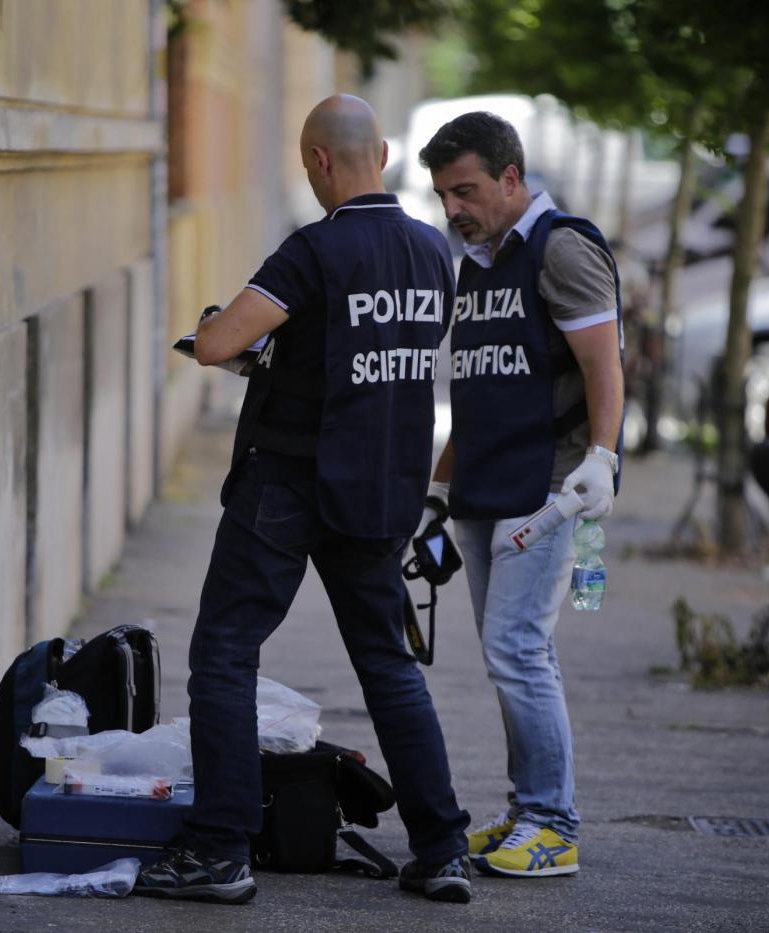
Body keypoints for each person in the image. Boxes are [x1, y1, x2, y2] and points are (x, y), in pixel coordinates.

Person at [133, 94, 473, 906]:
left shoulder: (314, 250)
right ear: (382, 154)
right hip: (381, 486)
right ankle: (441, 849)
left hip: (287, 484)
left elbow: (216, 342)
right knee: (389, 665)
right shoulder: (433, 253)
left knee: (223, 654)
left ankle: (219, 849)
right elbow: (366, 357)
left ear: (320, 161)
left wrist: (233, 333)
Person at [415, 111, 625, 878]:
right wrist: (438, 494)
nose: (452, 209)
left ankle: (552, 824)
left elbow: (605, 367)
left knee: (517, 648)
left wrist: (601, 459)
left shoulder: (561, 248)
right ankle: (526, 809)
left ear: (511, 178)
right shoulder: (477, 261)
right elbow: (480, 389)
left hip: (549, 486)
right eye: (442, 195)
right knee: (512, 654)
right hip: (482, 483)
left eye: (464, 190)